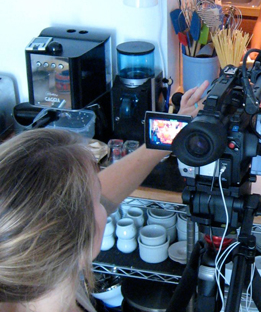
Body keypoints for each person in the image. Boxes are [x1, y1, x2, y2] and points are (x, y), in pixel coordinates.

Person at [0, 81, 209, 312]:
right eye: (97, 196)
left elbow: (107, 189)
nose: (104, 201)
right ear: (78, 245)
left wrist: (173, 130)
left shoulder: (34, 279)